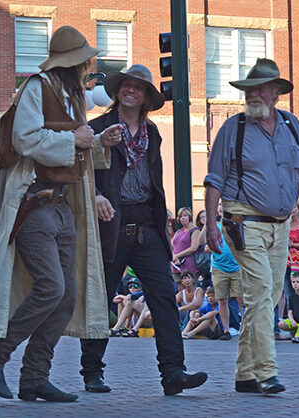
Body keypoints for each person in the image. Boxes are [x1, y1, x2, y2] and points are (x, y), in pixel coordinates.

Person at [0, 26, 122, 402]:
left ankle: (35, 377)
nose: (90, 65)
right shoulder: (37, 88)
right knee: (52, 286)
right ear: (71, 62)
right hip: (34, 204)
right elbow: (26, 140)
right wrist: (76, 139)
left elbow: (78, 148)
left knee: (66, 296)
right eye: (85, 59)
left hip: (62, 206)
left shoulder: (72, 96)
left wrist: (99, 141)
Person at [204, 58, 299, 394]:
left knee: (267, 298)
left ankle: (245, 374)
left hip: (280, 226)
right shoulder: (234, 128)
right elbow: (214, 178)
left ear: (276, 94)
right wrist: (211, 224)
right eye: (250, 89)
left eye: (261, 89)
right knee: (260, 293)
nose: (254, 94)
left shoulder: (291, 126)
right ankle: (266, 372)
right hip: (242, 221)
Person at [79, 64, 207, 396]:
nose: (131, 90)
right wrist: (94, 197)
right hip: (110, 223)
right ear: (118, 90)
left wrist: (161, 221)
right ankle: (92, 372)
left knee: (164, 298)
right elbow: (78, 170)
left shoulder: (152, 133)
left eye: (139, 87)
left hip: (148, 225)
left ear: (146, 96)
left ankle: (173, 373)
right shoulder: (97, 128)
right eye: (127, 85)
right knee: (101, 298)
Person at [199, 202, 244, 341]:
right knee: (222, 299)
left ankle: (244, 327)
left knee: (240, 299)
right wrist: (207, 223)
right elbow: (201, 242)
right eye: (219, 211)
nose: (221, 213)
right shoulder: (214, 227)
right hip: (219, 268)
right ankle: (226, 330)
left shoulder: (236, 226)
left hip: (236, 267)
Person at [171, 207, 201, 284]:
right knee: (180, 291)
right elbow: (171, 246)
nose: (183, 218)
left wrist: (177, 256)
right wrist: (174, 257)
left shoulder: (195, 230)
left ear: (189, 217)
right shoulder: (178, 231)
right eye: (181, 216)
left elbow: (193, 248)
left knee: (191, 290)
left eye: (185, 215)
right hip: (176, 265)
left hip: (189, 265)